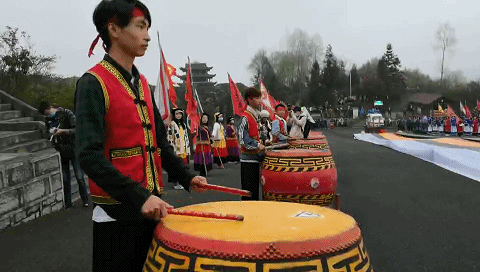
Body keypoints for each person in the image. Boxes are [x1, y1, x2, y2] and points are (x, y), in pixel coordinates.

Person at [75, 1, 208, 271]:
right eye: (140, 26)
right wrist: (138, 196)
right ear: (113, 29)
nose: (147, 35)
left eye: (148, 28)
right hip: (116, 216)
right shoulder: (93, 83)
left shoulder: (144, 84)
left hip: (152, 208)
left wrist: (186, 176)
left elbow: (159, 142)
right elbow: (88, 155)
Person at [38, 101, 89, 209]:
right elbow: (47, 133)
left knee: (79, 176)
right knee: (65, 179)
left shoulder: (66, 113)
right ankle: (68, 203)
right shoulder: (48, 120)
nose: (47, 116)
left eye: (47, 113)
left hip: (74, 148)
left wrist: (63, 131)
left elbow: (77, 130)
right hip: (61, 150)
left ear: (50, 108)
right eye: (45, 115)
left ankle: (85, 200)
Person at [238, 87, 265, 201]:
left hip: (255, 159)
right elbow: (243, 140)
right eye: (257, 98)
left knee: (254, 192)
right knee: (249, 193)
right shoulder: (245, 117)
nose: (260, 101)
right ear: (250, 99)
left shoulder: (254, 116)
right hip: (248, 160)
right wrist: (258, 145)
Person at [167, 108, 190, 190]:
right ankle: (175, 183)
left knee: (183, 166)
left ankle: (182, 182)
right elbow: (170, 137)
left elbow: (186, 137)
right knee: (176, 166)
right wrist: (172, 149)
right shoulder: (172, 124)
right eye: (177, 114)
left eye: (180, 114)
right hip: (176, 149)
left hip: (183, 148)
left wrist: (187, 149)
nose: (179, 115)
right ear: (174, 115)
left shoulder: (183, 125)